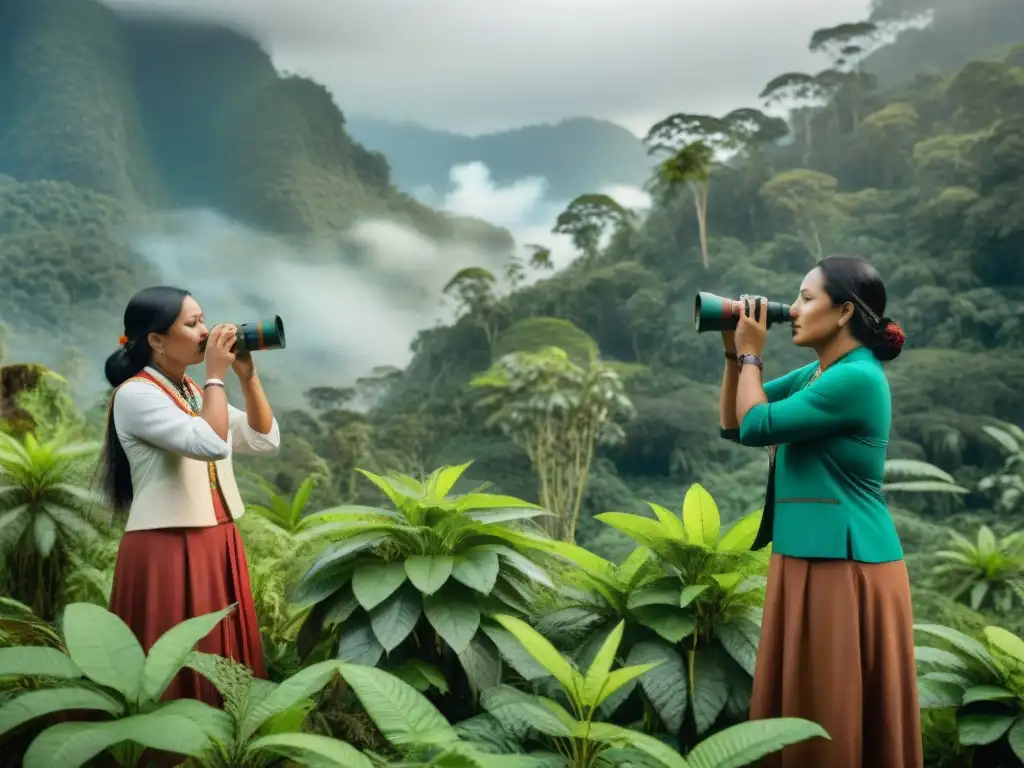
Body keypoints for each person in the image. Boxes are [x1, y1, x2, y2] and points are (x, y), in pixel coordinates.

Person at [718, 256, 922, 768]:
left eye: (807, 298)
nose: (795, 308)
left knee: (829, 711)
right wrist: (732, 354)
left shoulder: (855, 379)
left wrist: (751, 356)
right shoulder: (819, 372)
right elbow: (734, 423)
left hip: (845, 566)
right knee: (802, 704)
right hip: (805, 556)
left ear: (845, 311)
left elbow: (757, 423)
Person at [100, 286, 280, 705]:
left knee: (221, 656)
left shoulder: (194, 393)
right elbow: (211, 443)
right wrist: (215, 374)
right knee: (175, 658)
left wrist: (246, 377)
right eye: (192, 323)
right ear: (157, 341)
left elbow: (262, 440)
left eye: (203, 319)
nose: (205, 331)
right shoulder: (136, 395)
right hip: (169, 545)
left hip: (217, 539)